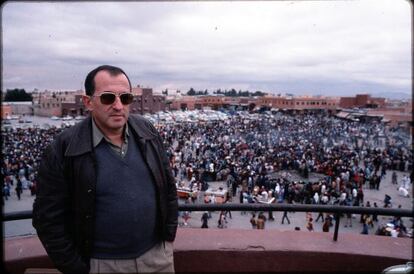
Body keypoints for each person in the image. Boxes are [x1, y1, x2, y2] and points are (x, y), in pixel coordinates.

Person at [33, 65, 178, 274]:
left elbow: (168, 188)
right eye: (108, 98)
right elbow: (47, 219)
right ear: (88, 102)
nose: (119, 106)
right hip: (101, 265)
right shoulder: (63, 149)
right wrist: (78, 268)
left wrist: (168, 238)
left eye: (125, 98)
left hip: (157, 259)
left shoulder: (147, 131)